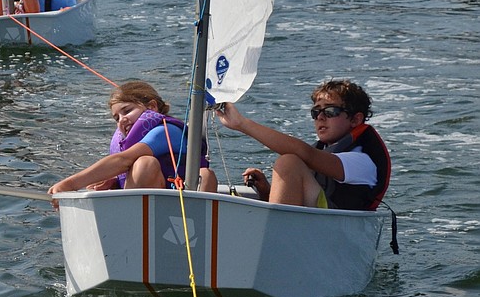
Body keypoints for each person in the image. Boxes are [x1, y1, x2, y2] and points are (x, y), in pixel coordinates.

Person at [213, 78, 391, 209]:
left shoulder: (363, 161)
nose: (320, 117)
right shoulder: (326, 151)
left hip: (334, 233)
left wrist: (241, 124)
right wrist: (267, 191)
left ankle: (274, 239)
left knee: (289, 163)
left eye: (330, 111)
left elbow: (305, 154)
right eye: (316, 112)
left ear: (355, 119)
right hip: (314, 229)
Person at [49, 80, 216, 199]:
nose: (121, 119)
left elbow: (123, 160)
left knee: (149, 164)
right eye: (116, 118)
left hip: (179, 209)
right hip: (149, 206)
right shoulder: (127, 138)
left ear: (151, 107)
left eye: (127, 111)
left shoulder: (166, 131)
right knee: (143, 164)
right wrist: (113, 181)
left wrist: (69, 185)